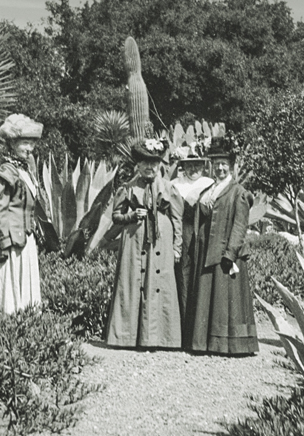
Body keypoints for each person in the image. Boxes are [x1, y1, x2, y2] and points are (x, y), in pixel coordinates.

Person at [103, 137, 184, 349]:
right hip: (134, 241)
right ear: (138, 165)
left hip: (161, 242)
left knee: (160, 283)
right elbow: (116, 217)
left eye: (154, 163)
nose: (150, 167)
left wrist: (177, 247)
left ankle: (162, 338)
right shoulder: (127, 188)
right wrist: (130, 216)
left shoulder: (169, 188)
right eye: (145, 163)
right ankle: (128, 337)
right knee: (133, 282)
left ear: (160, 166)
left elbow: (177, 219)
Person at [189, 136, 259, 356]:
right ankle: (205, 343)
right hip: (208, 252)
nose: (219, 167)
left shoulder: (239, 193)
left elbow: (239, 226)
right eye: (216, 163)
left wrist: (230, 254)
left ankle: (230, 345)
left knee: (226, 302)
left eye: (224, 163)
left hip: (226, 254)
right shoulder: (210, 190)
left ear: (231, 166)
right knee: (208, 298)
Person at [0, 113, 43, 313]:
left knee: (25, 285)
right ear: (12, 144)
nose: (30, 148)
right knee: (7, 288)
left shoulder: (26, 171)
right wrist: (4, 244)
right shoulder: (5, 173)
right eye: (25, 143)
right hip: (9, 243)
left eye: (32, 144)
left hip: (25, 240)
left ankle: (25, 324)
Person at [170, 142, 214, 339]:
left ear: (203, 166)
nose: (193, 169)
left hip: (202, 235)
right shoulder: (174, 185)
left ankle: (200, 332)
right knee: (183, 279)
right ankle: (183, 331)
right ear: (182, 166)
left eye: (197, 164)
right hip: (181, 236)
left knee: (201, 279)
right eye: (189, 165)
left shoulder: (209, 184)